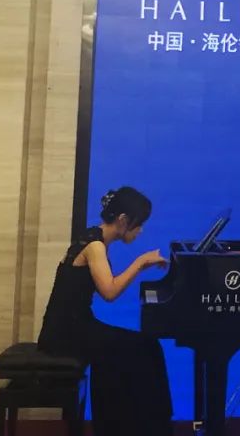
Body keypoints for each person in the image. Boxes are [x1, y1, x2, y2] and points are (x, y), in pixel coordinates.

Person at [37, 186, 173, 436]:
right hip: (66, 333)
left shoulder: (94, 239)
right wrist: (140, 263)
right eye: (139, 224)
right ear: (123, 220)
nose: (140, 230)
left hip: (76, 326)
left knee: (147, 346)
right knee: (138, 348)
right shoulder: (95, 246)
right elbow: (109, 292)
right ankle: (136, 427)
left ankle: (148, 425)